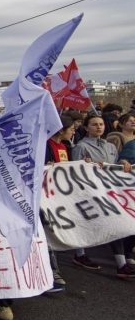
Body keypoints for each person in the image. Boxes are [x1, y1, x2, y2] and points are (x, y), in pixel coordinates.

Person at [71, 113, 133, 277]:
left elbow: (114, 166)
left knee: (115, 224)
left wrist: (122, 163)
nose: (99, 127)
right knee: (82, 223)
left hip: (108, 191)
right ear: (86, 128)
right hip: (89, 192)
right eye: (94, 124)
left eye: (101, 124)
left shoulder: (110, 147)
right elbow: (74, 172)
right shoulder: (81, 147)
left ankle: (121, 265)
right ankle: (80, 254)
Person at [43, 115, 77, 292]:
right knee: (47, 232)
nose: (73, 131)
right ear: (61, 129)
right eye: (71, 128)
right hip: (44, 196)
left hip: (58, 196)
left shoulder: (65, 146)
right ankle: (52, 272)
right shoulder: (45, 145)